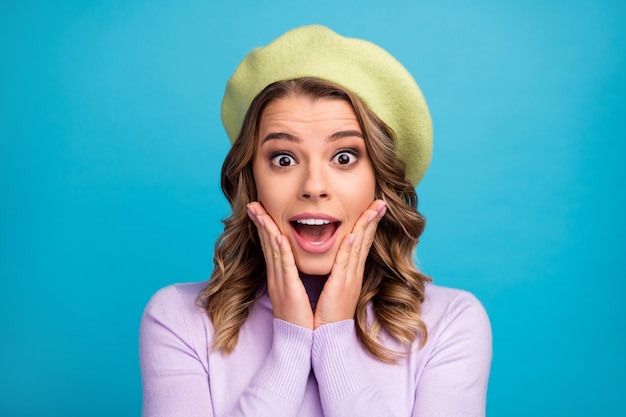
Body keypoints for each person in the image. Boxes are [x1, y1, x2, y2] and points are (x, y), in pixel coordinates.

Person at [139, 25, 492, 417]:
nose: (314, 186)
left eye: (344, 157)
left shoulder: (449, 324)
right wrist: (291, 346)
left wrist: (333, 341)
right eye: (283, 159)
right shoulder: (179, 319)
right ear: (251, 179)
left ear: (380, 181)